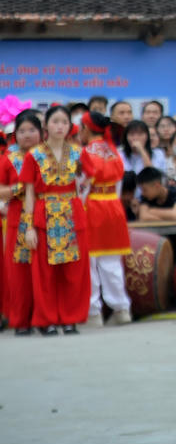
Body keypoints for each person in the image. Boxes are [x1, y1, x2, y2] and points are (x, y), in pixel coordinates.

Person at [20, 106, 90, 336]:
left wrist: (82, 199)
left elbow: (91, 178)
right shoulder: (34, 155)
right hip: (44, 214)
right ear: (46, 126)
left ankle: (70, 319)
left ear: (70, 126)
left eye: (64, 122)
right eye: (55, 121)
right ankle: (47, 319)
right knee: (44, 273)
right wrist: (29, 226)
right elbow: (29, 192)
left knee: (74, 272)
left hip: (71, 213)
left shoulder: (79, 153)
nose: (60, 126)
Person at [78, 112, 133, 327]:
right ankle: (122, 309)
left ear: (86, 129)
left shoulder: (86, 153)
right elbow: (119, 185)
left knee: (90, 262)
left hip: (93, 207)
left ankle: (93, 313)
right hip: (113, 207)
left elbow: (82, 186)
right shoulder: (114, 152)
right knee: (111, 262)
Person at [1, 110, 41, 335]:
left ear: (41, 133)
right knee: (19, 273)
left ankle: (45, 317)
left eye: (32, 130)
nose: (27, 135)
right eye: (22, 131)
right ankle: (21, 320)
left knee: (45, 271)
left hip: (47, 217)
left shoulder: (49, 157)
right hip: (19, 220)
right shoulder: (9, 159)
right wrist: (21, 188)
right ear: (15, 134)